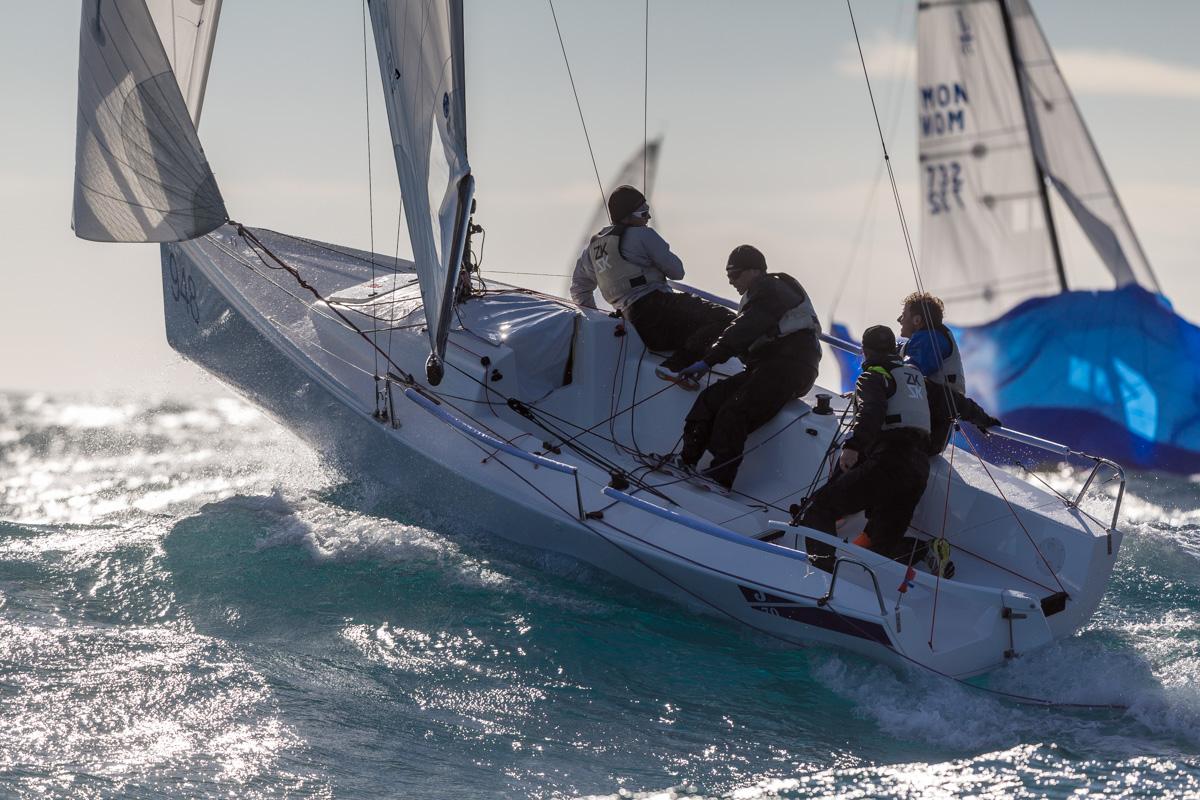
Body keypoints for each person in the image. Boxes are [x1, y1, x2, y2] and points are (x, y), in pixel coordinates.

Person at [671, 244, 822, 491]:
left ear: (755, 271)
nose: (731, 281)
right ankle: (687, 460)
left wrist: (708, 360)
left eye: (735, 274)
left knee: (736, 409)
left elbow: (745, 329)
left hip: (791, 365)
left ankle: (721, 478)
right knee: (711, 398)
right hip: (767, 366)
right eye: (728, 276)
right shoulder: (758, 294)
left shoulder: (770, 288)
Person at [798, 325, 931, 570]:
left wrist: (853, 446)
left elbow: (872, 411)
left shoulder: (872, 376)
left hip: (891, 460)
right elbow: (953, 402)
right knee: (881, 545)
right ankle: (924, 550)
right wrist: (982, 419)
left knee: (821, 509)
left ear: (865, 352)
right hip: (920, 467)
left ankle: (819, 573)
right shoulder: (914, 375)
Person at [570, 185, 733, 376]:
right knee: (725, 319)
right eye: (643, 212)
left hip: (636, 327)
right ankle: (675, 366)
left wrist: (598, 321)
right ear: (626, 216)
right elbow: (677, 272)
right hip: (660, 310)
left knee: (695, 330)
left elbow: (579, 289)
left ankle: (680, 365)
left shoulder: (592, 250)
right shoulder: (643, 235)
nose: (648, 217)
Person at [897, 291, 1000, 454]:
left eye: (903, 315)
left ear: (917, 320)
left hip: (923, 437)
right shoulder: (925, 341)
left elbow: (908, 372)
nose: (900, 320)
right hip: (922, 430)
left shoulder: (930, 341)